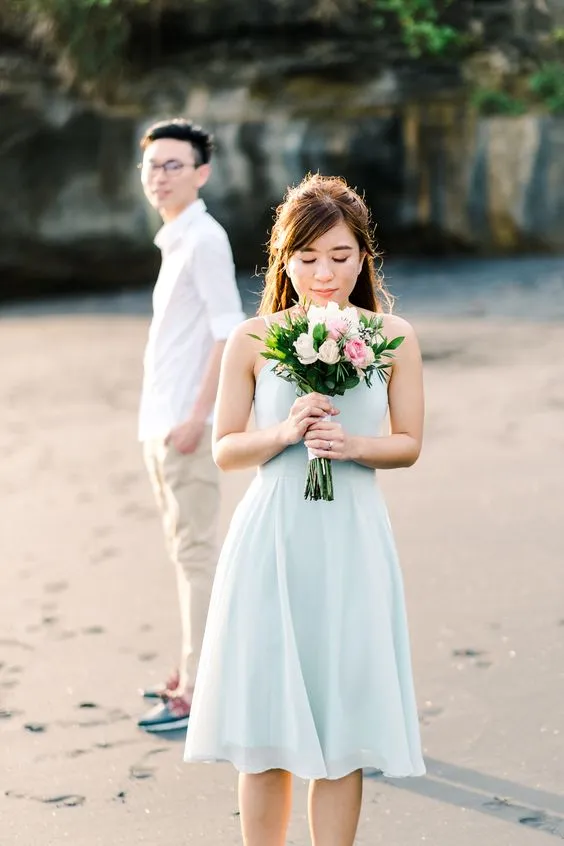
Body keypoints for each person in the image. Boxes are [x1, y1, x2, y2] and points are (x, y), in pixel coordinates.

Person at [184, 173, 425, 845]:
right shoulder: (254, 338)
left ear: (364, 257)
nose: (325, 273)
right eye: (309, 257)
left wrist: (352, 445)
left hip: (352, 536)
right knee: (264, 727)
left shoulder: (393, 337)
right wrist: (286, 432)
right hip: (274, 539)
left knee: (341, 722)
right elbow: (227, 448)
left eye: (341, 256)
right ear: (284, 260)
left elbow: (407, 445)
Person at [136, 118, 245, 733]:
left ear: (201, 173)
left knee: (196, 555)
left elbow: (228, 331)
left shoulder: (204, 237)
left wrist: (196, 418)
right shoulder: (176, 237)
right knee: (185, 554)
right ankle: (191, 672)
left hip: (185, 426)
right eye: (151, 165)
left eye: (173, 164)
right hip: (160, 425)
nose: (159, 176)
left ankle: (200, 693)